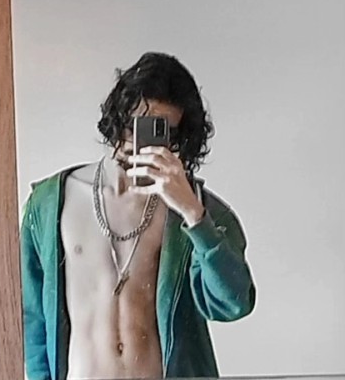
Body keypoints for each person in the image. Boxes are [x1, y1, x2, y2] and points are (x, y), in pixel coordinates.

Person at [21, 52, 256, 380]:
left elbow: (233, 304)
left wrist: (193, 215)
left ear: (178, 141)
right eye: (136, 123)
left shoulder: (198, 210)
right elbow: (32, 320)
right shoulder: (49, 204)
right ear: (117, 117)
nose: (140, 142)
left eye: (160, 131)